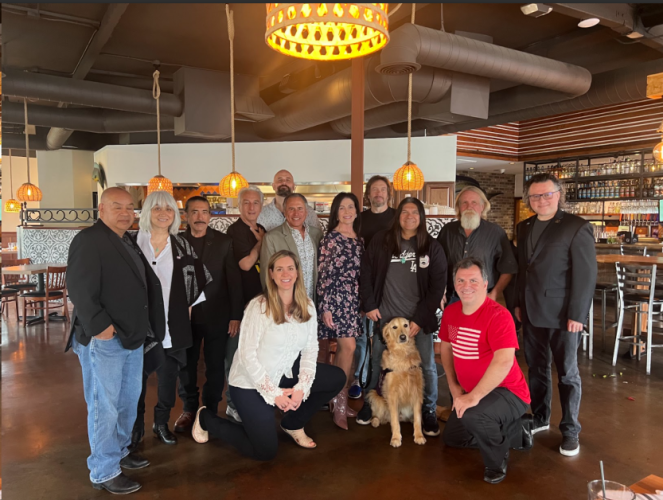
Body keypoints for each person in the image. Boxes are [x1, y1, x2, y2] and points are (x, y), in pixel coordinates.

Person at [191, 250, 346, 460]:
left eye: (290, 268)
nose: (285, 273)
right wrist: (275, 394)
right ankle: (206, 419)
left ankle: (292, 423)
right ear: (271, 274)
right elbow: (246, 355)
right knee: (265, 451)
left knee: (336, 377)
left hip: (283, 372)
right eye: (279, 269)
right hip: (249, 382)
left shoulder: (307, 305)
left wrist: (302, 387)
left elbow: (311, 348)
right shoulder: (259, 307)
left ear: (297, 273)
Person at [66, 187, 165, 495]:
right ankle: (104, 469)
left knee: (126, 401)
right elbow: (79, 289)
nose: (125, 212)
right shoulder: (88, 240)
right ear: (101, 209)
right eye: (117, 207)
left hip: (131, 337)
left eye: (129, 208)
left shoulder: (125, 240)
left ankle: (119, 451)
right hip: (105, 339)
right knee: (104, 406)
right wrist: (102, 329)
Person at [515, 173, 596, 457]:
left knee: (567, 374)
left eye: (547, 194)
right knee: (536, 369)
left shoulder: (576, 226)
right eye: (535, 196)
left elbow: (585, 275)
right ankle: (540, 417)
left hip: (564, 315)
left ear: (558, 194)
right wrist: (517, 303)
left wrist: (577, 314)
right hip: (531, 311)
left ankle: (570, 429)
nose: (541, 200)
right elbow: (522, 270)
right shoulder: (523, 226)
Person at [357, 197, 447, 437]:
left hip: (419, 322)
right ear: (398, 216)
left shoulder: (432, 247)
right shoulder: (382, 241)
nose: (409, 216)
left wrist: (419, 319)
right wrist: (370, 304)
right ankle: (371, 405)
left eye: (415, 212)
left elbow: (438, 286)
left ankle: (428, 410)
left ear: (421, 217)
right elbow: (365, 272)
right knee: (378, 364)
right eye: (404, 211)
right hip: (385, 320)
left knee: (426, 366)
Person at [440, 258, 532, 485]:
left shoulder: (498, 316)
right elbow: (446, 348)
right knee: (453, 438)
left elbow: (503, 362)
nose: (466, 285)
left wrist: (472, 397)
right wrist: (454, 388)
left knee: (475, 415)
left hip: (509, 392)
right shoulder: (451, 313)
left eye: (473, 280)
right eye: (460, 280)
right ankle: (513, 433)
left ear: (485, 283)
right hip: (473, 391)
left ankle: (496, 461)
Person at [132, 191, 210, 448]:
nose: (163, 212)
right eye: (157, 208)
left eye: (169, 208)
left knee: (168, 379)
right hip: (139, 326)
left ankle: (161, 424)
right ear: (147, 212)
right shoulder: (131, 243)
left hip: (170, 326)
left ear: (175, 215)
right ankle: (135, 429)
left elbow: (197, 281)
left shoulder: (181, 245)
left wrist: (185, 310)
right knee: (137, 383)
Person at [173, 195, 244, 433]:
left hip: (218, 315)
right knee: (187, 364)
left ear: (210, 216)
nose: (199, 217)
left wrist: (236, 315)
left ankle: (210, 409)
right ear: (186, 216)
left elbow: (234, 281)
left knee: (215, 365)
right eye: (194, 212)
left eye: (204, 212)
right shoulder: (177, 243)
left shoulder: (224, 242)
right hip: (185, 317)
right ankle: (189, 407)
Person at [316, 192, 364, 429]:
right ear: (336, 211)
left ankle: (338, 398)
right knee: (347, 347)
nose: (347, 211)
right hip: (335, 299)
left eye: (351, 207)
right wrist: (325, 306)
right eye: (342, 207)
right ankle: (338, 400)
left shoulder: (359, 239)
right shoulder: (330, 239)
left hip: (353, 300)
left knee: (349, 351)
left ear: (356, 210)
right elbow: (323, 274)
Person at [349, 175, 396, 400]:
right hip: (362, 286)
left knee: (388, 336)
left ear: (388, 193)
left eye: (382, 189)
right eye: (374, 190)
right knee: (362, 336)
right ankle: (360, 377)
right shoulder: (359, 219)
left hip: (391, 288)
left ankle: (387, 379)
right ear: (368, 195)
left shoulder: (397, 218)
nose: (378, 193)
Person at [224, 186, 267, 422]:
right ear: (239, 206)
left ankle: (252, 401)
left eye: (255, 203)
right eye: (246, 203)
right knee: (234, 357)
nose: (251, 207)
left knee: (256, 356)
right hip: (240, 306)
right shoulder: (236, 231)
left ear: (261, 206)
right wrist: (261, 243)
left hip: (261, 306)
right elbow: (246, 265)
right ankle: (232, 403)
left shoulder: (262, 229)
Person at [437, 186, 517, 306]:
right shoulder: (447, 230)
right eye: (464, 203)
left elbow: (508, 268)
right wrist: (439, 292)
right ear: (459, 207)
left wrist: (494, 293)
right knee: (453, 326)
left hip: (483, 298)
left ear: (482, 206)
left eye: (474, 202)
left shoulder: (496, 232)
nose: (469, 207)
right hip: (453, 297)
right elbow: (437, 265)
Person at [261, 193, 323, 300]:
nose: (296, 213)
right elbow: (266, 275)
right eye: (291, 209)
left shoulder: (317, 234)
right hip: (286, 303)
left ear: (306, 212)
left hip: (313, 302)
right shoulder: (272, 237)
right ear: (284, 212)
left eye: (300, 208)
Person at [257, 169, 321, 231]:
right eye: (280, 180)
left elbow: (318, 237)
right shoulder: (261, 213)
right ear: (273, 186)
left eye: (288, 180)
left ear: (293, 186)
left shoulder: (309, 212)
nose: (284, 182)